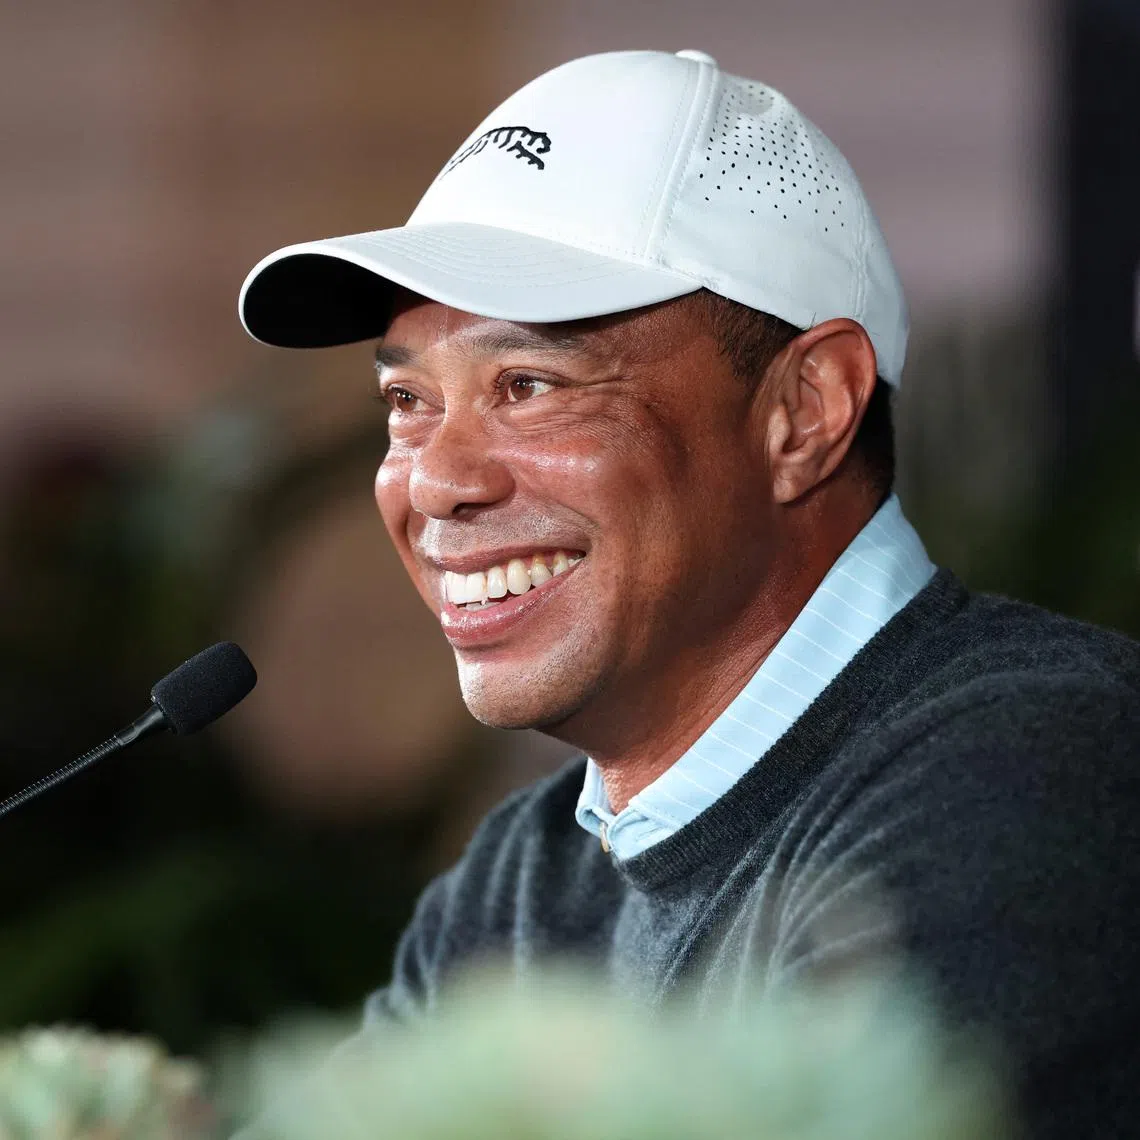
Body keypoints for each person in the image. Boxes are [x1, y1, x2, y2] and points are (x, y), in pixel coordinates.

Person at [238, 50, 1140, 1137]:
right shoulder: (524, 881)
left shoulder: (1035, 766)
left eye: (528, 386)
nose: (436, 480)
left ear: (806, 411)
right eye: (408, 401)